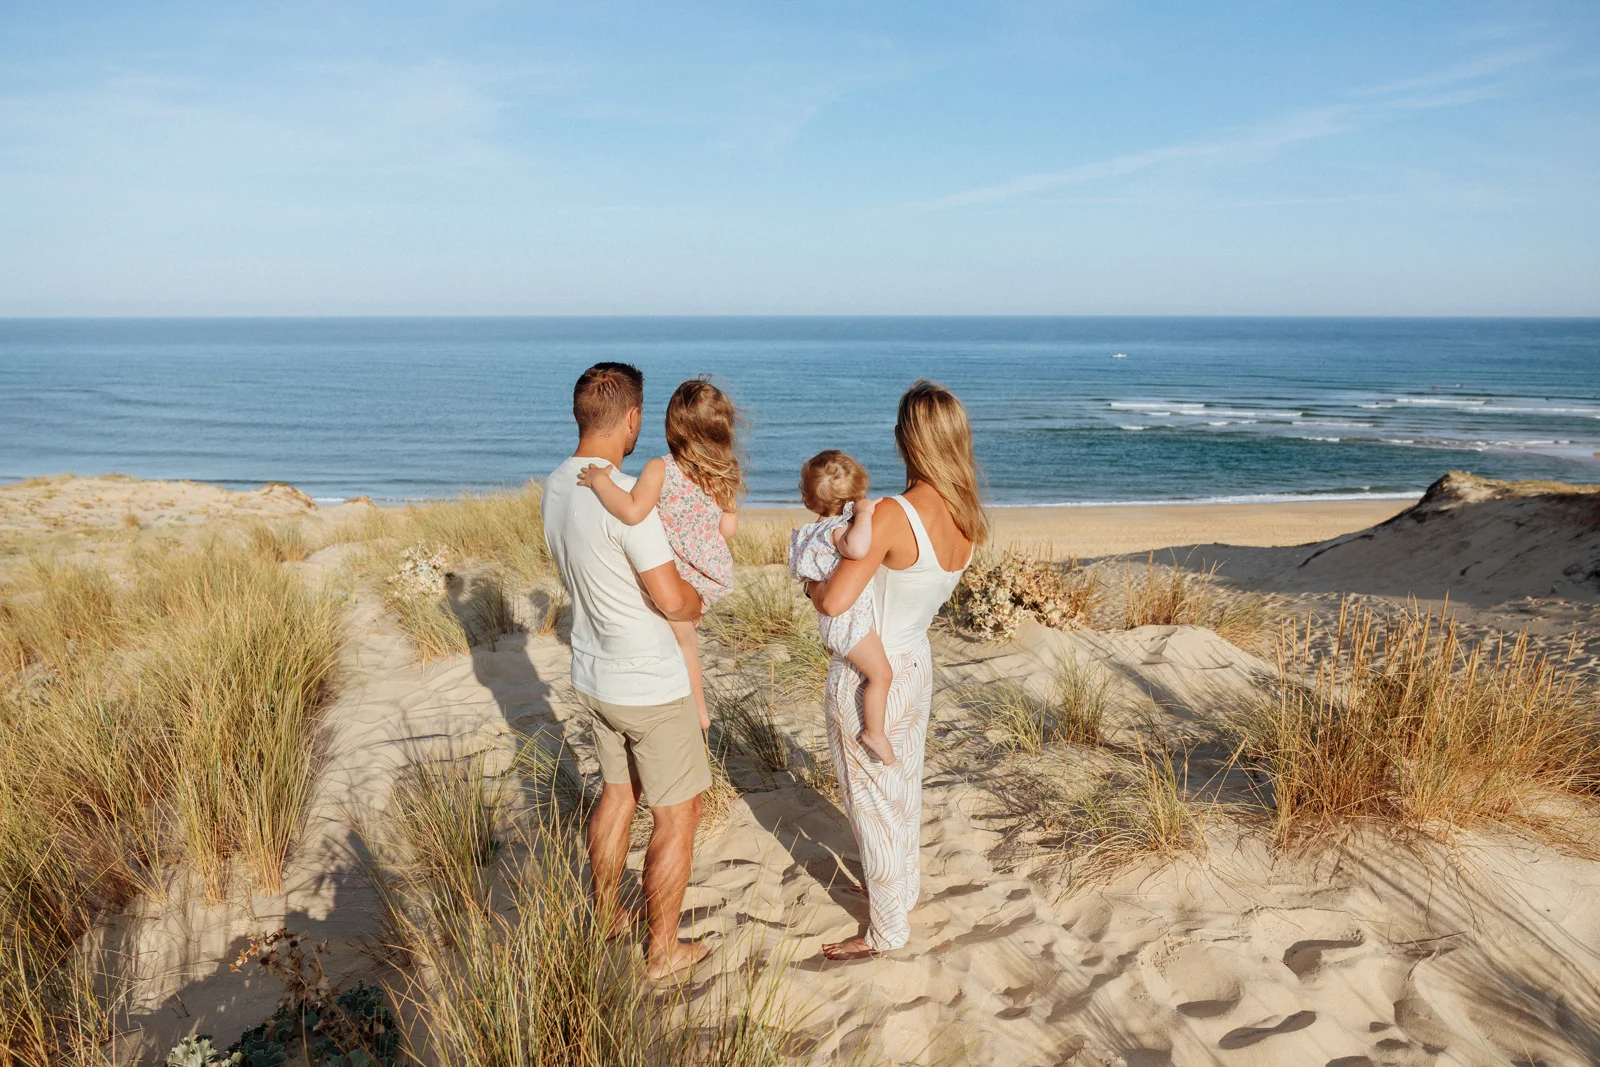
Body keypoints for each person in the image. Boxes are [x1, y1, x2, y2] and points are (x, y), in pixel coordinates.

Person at [542, 362, 712, 980]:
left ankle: (607, 913)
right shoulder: (627, 501)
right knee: (678, 814)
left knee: (618, 796)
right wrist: (696, 600)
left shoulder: (558, 486)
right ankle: (663, 950)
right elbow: (672, 598)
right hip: (650, 685)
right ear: (634, 419)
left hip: (593, 674)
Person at [806, 380, 986, 962]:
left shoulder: (889, 514)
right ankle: (898, 892)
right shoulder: (967, 520)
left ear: (905, 439)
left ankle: (885, 931)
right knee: (901, 788)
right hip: (915, 662)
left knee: (871, 800)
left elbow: (834, 602)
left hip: (868, 669)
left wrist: (809, 581)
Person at [576, 377, 742, 731]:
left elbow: (633, 511)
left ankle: (699, 713)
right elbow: (728, 530)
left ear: (672, 426)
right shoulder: (726, 470)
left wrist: (600, 481)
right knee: (686, 641)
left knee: (684, 644)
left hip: (679, 575)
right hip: (711, 575)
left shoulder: (660, 468)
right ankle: (696, 709)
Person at [788, 450, 896, 767]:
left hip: (838, 623)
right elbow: (858, 548)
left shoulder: (812, 532)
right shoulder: (838, 531)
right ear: (853, 498)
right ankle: (875, 732)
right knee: (882, 675)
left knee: (872, 674)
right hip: (849, 623)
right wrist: (863, 514)